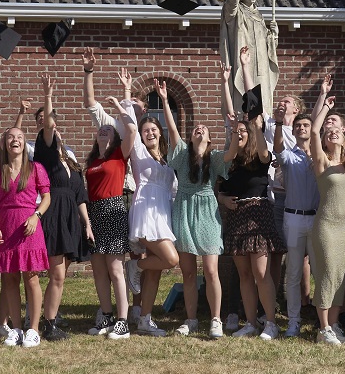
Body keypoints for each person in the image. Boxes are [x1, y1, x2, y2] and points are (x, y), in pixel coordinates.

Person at [217, 47, 282, 340]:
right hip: (237, 215)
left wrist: (245, 68)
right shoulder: (231, 158)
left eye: (245, 130)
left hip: (258, 213)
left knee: (260, 273)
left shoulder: (261, 154)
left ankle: (270, 322)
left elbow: (253, 110)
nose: (241, 132)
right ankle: (252, 322)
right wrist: (221, 199)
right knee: (243, 274)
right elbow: (218, 181)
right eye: (237, 131)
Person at [114, 73, 179, 337]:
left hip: (163, 212)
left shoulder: (168, 158)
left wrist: (163, 100)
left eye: (153, 130)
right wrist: (127, 91)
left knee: (157, 271)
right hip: (145, 210)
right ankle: (134, 267)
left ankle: (144, 319)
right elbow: (128, 122)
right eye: (145, 130)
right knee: (169, 259)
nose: (149, 132)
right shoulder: (138, 151)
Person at [33, 77, 92, 342]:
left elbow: (80, 194)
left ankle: (50, 320)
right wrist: (48, 96)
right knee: (56, 272)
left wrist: (86, 223)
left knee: (61, 274)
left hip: (70, 217)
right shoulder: (43, 154)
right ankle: (46, 323)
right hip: (53, 214)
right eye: (50, 125)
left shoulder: (69, 159)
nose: (53, 129)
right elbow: (48, 125)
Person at [0, 126, 51, 347]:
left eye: (20, 137)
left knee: (31, 278)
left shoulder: (35, 168)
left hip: (28, 227)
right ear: (4, 143)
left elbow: (47, 197)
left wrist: (36, 216)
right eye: (11, 137)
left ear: (25, 143)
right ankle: (15, 329)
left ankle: (33, 329)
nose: (15, 140)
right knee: (9, 279)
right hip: (6, 227)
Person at [305, 86, 345, 345]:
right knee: (326, 274)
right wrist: (325, 104)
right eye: (329, 132)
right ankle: (323, 328)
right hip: (326, 225)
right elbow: (314, 130)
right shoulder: (321, 162)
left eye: (336, 131)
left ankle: (334, 325)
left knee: (340, 276)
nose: (331, 133)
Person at [172, 113, 225, 338]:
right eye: (196, 128)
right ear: (191, 138)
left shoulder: (215, 158)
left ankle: (216, 320)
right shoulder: (183, 156)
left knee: (211, 269)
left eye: (204, 128)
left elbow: (232, 152)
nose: (199, 129)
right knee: (189, 273)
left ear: (210, 139)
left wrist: (232, 126)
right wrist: (165, 102)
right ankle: (191, 319)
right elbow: (173, 134)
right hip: (184, 210)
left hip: (207, 213)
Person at [274, 107, 321, 338]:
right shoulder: (288, 156)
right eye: (298, 126)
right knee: (293, 271)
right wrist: (280, 124)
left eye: (306, 126)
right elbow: (277, 149)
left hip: (317, 219)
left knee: (320, 271)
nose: (302, 129)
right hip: (292, 218)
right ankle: (293, 321)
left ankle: (325, 322)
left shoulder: (321, 157)